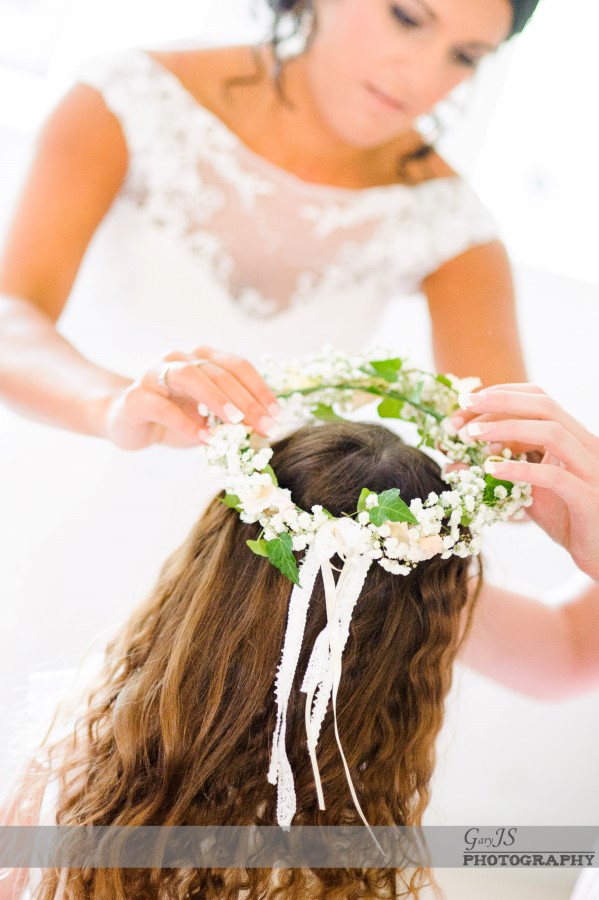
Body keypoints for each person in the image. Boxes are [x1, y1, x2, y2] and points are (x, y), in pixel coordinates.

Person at [0, 0, 542, 765]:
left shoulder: (453, 226)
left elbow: (505, 462)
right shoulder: (126, 98)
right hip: (54, 493)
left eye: (464, 56)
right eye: (405, 18)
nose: (423, 75)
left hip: (243, 589)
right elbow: (12, 312)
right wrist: (111, 404)